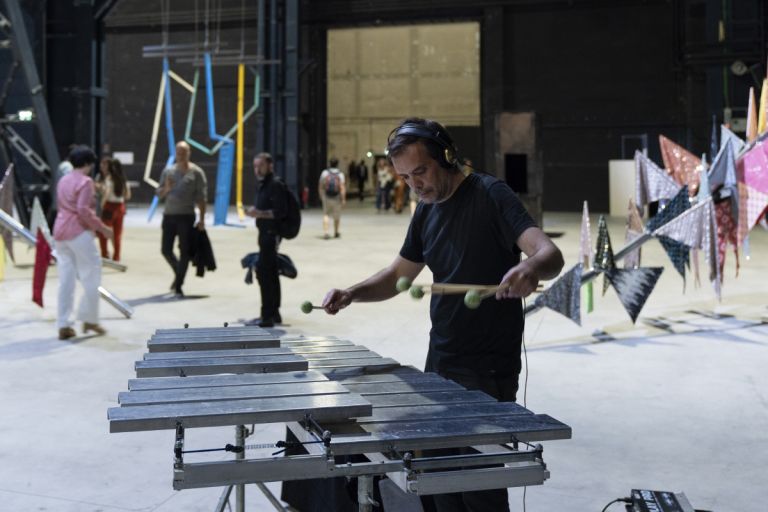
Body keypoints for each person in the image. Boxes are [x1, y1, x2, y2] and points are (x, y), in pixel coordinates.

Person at [321, 118, 564, 512]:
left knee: (480, 487)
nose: (414, 184)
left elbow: (550, 253)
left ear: (446, 157)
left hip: (487, 370)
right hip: (441, 363)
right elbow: (398, 275)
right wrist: (353, 293)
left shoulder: (490, 195)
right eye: (404, 177)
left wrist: (530, 268)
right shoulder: (425, 211)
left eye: (421, 171)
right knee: (438, 483)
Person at [53, 145, 114, 340]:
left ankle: (63, 324)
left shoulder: (63, 180)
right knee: (92, 274)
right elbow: (83, 210)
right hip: (78, 232)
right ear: (88, 163)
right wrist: (102, 228)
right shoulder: (86, 182)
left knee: (66, 280)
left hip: (60, 232)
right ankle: (90, 319)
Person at [156, 141, 207, 297]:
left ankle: (178, 284)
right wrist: (167, 188)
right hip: (169, 215)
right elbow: (158, 194)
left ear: (189, 153)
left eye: (183, 151)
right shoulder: (168, 172)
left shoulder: (196, 173)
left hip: (186, 216)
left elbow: (201, 198)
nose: (181, 154)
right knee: (166, 250)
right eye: (178, 151)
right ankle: (179, 272)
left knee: (184, 251)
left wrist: (202, 219)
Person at [246, 152, 287, 327]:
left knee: (263, 274)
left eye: (260, 166)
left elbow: (280, 212)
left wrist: (258, 213)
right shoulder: (264, 185)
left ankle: (267, 316)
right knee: (271, 273)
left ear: (270, 165)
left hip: (271, 236)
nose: (257, 169)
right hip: (265, 235)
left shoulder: (275, 185)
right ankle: (275, 313)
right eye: (255, 166)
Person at [96, 158, 131, 261]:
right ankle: (117, 256)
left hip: (109, 207)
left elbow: (106, 194)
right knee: (117, 234)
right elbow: (128, 195)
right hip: (120, 207)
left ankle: (104, 254)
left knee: (103, 232)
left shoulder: (109, 179)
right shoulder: (123, 180)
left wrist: (102, 206)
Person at [318, 157, 346, 239]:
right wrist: (343, 198)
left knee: (326, 214)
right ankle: (336, 232)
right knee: (336, 216)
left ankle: (326, 232)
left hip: (327, 196)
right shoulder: (340, 174)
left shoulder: (325, 173)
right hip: (337, 197)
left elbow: (320, 185)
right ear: (337, 164)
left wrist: (321, 195)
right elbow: (342, 187)